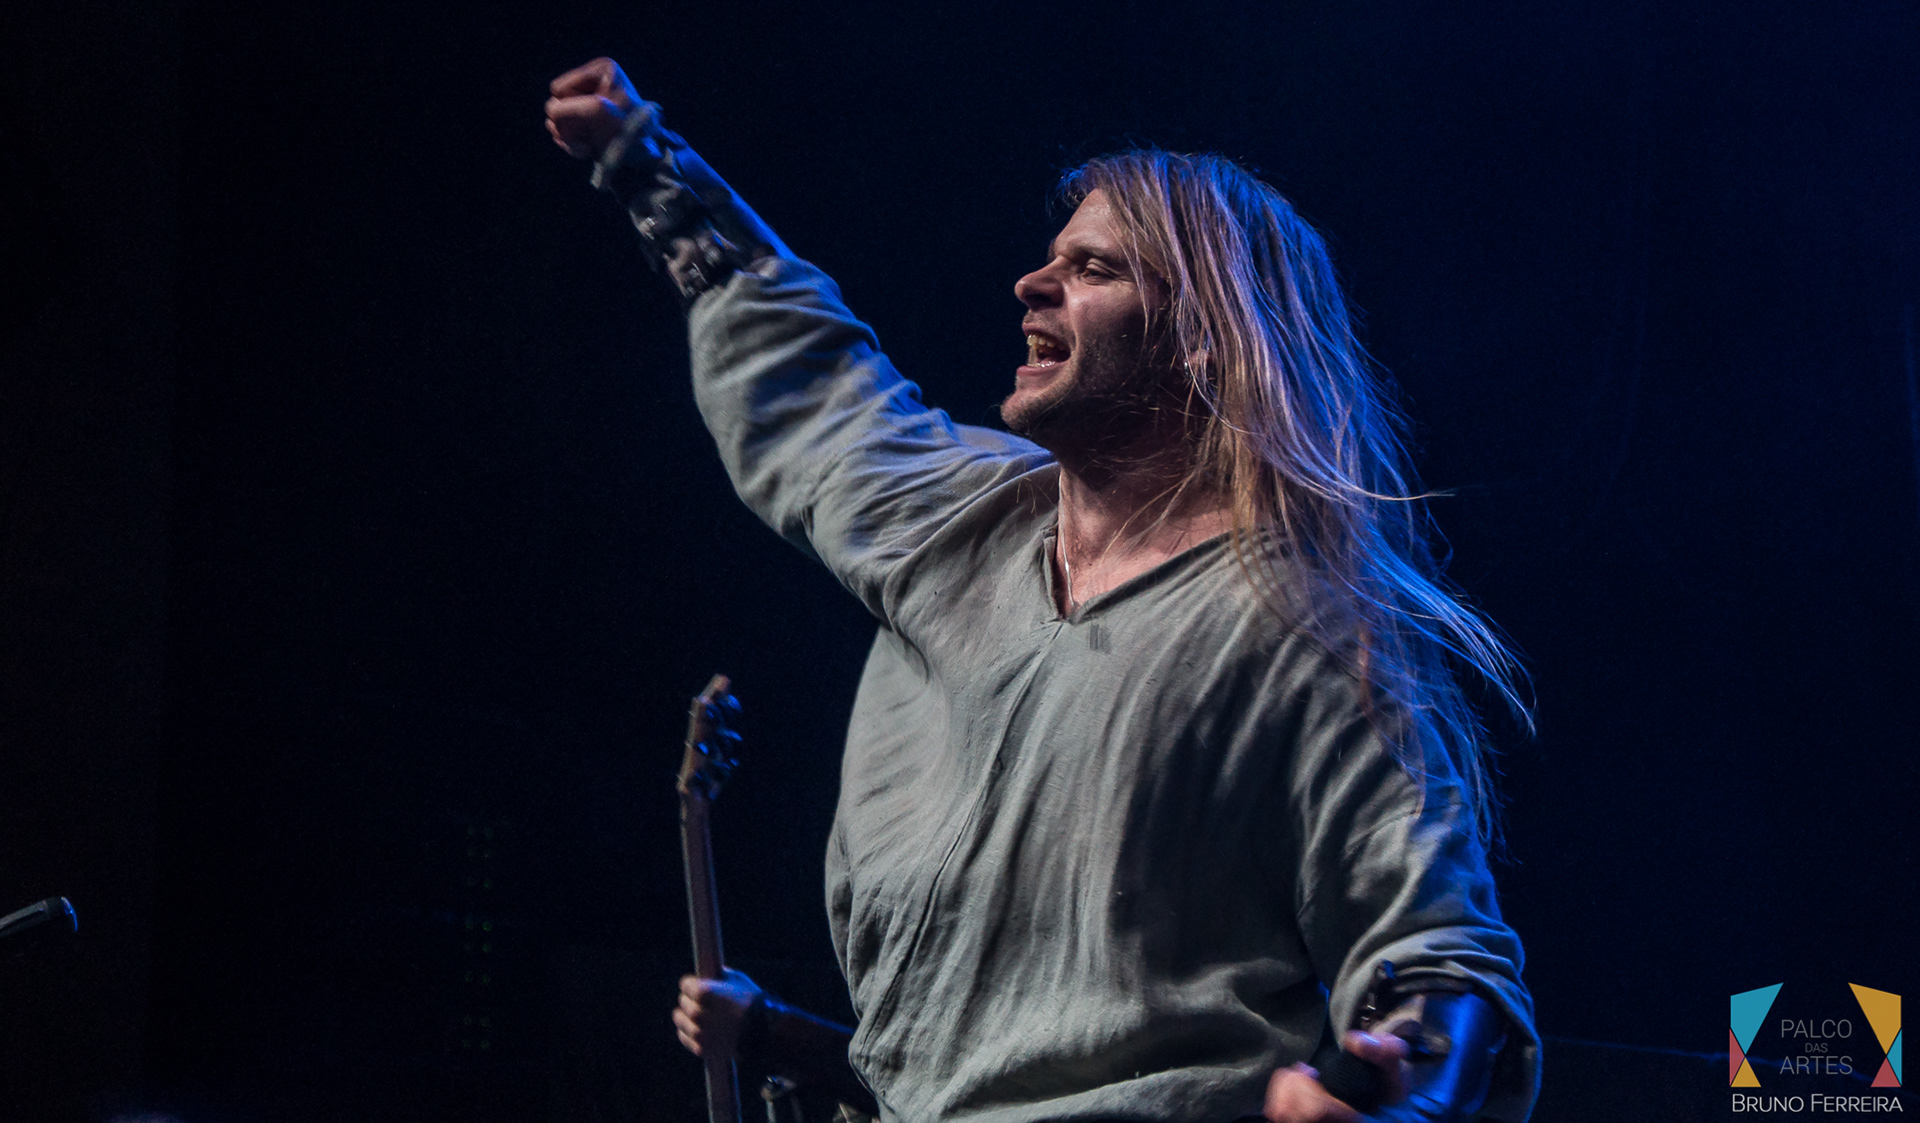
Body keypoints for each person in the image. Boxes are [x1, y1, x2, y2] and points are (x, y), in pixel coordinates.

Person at [546, 57, 1540, 1123]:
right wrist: (647, 165)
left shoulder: (1308, 630)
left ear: (1204, 336)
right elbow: (817, 387)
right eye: (1051, 257)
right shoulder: (959, 519)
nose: (1032, 282)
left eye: (1095, 267)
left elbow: (1437, 954)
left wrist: (1402, 1088)